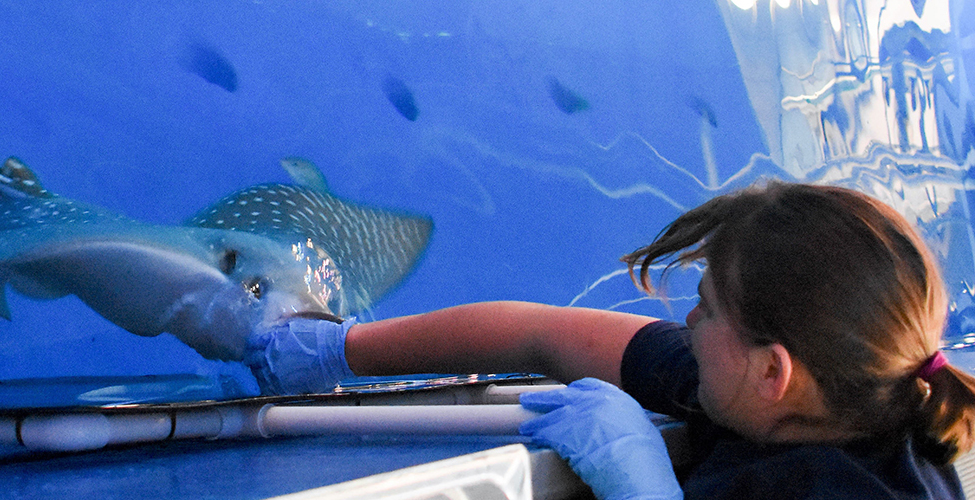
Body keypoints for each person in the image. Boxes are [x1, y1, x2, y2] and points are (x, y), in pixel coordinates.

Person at [244, 181, 975, 499]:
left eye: (708, 308)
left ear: (773, 371)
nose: (689, 324)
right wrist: (340, 349)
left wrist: (645, 492)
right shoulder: (755, 389)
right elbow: (540, 331)